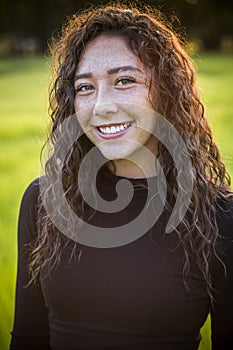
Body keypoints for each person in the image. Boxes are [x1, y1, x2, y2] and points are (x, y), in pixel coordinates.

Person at [10, 2, 233, 350]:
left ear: (167, 90)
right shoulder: (43, 201)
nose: (101, 105)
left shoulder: (220, 219)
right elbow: (28, 338)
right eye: (85, 87)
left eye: (124, 81)